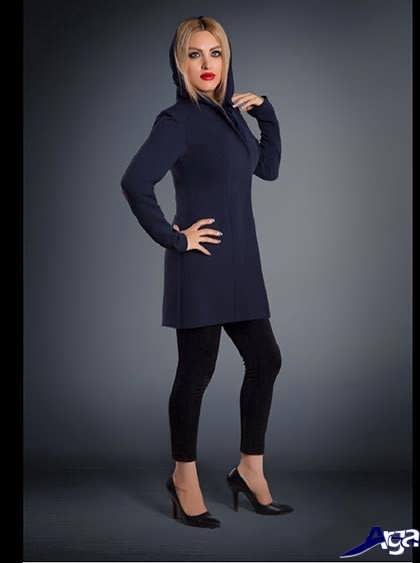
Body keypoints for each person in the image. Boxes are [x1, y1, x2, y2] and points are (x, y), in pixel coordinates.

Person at [121, 15, 293, 528]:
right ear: (180, 62)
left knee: (265, 360)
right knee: (196, 373)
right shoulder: (177, 121)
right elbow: (135, 182)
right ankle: (183, 478)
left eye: (215, 52)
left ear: (226, 57)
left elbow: (267, 169)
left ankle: (249, 470)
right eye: (194, 54)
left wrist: (267, 115)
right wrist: (176, 238)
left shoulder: (233, 118)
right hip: (199, 267)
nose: (206, 63)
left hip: (241, 266)